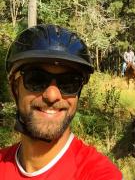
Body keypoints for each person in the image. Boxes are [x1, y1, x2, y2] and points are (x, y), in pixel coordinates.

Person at [0, 24, 123, 180]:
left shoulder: (97, 173)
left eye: (69, 83)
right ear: (14, 88)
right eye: (36, 79)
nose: (52, 96)